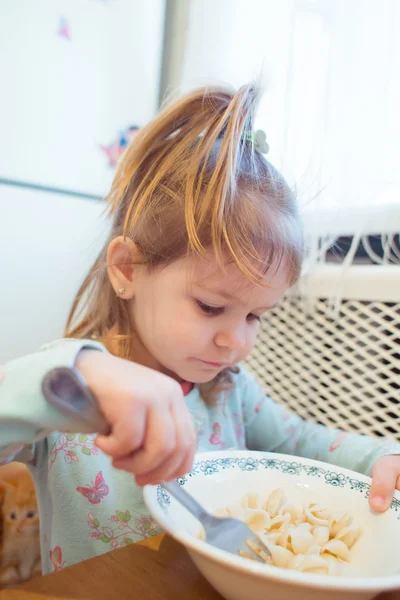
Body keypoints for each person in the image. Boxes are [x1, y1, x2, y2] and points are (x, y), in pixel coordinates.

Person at [1, 84, 399, 575]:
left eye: (255, 316)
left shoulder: (228, 391)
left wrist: (385, 455)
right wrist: (85, 371)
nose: (237, 342)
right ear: (127, 269)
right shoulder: (70, 390)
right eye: (212, 307)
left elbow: (302, 441)